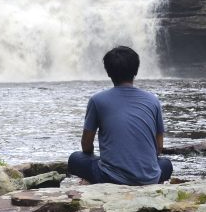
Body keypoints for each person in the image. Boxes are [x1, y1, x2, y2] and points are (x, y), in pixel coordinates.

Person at [67, 46, 172, 185]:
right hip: (149, 179)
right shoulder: (153, 100)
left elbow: (86, 145)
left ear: (108, 73)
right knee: (166, 164)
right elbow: (159, 147)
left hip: (111, 179)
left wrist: (95, 158)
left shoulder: (97, 100)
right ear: (136, 71)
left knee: (75, 158)